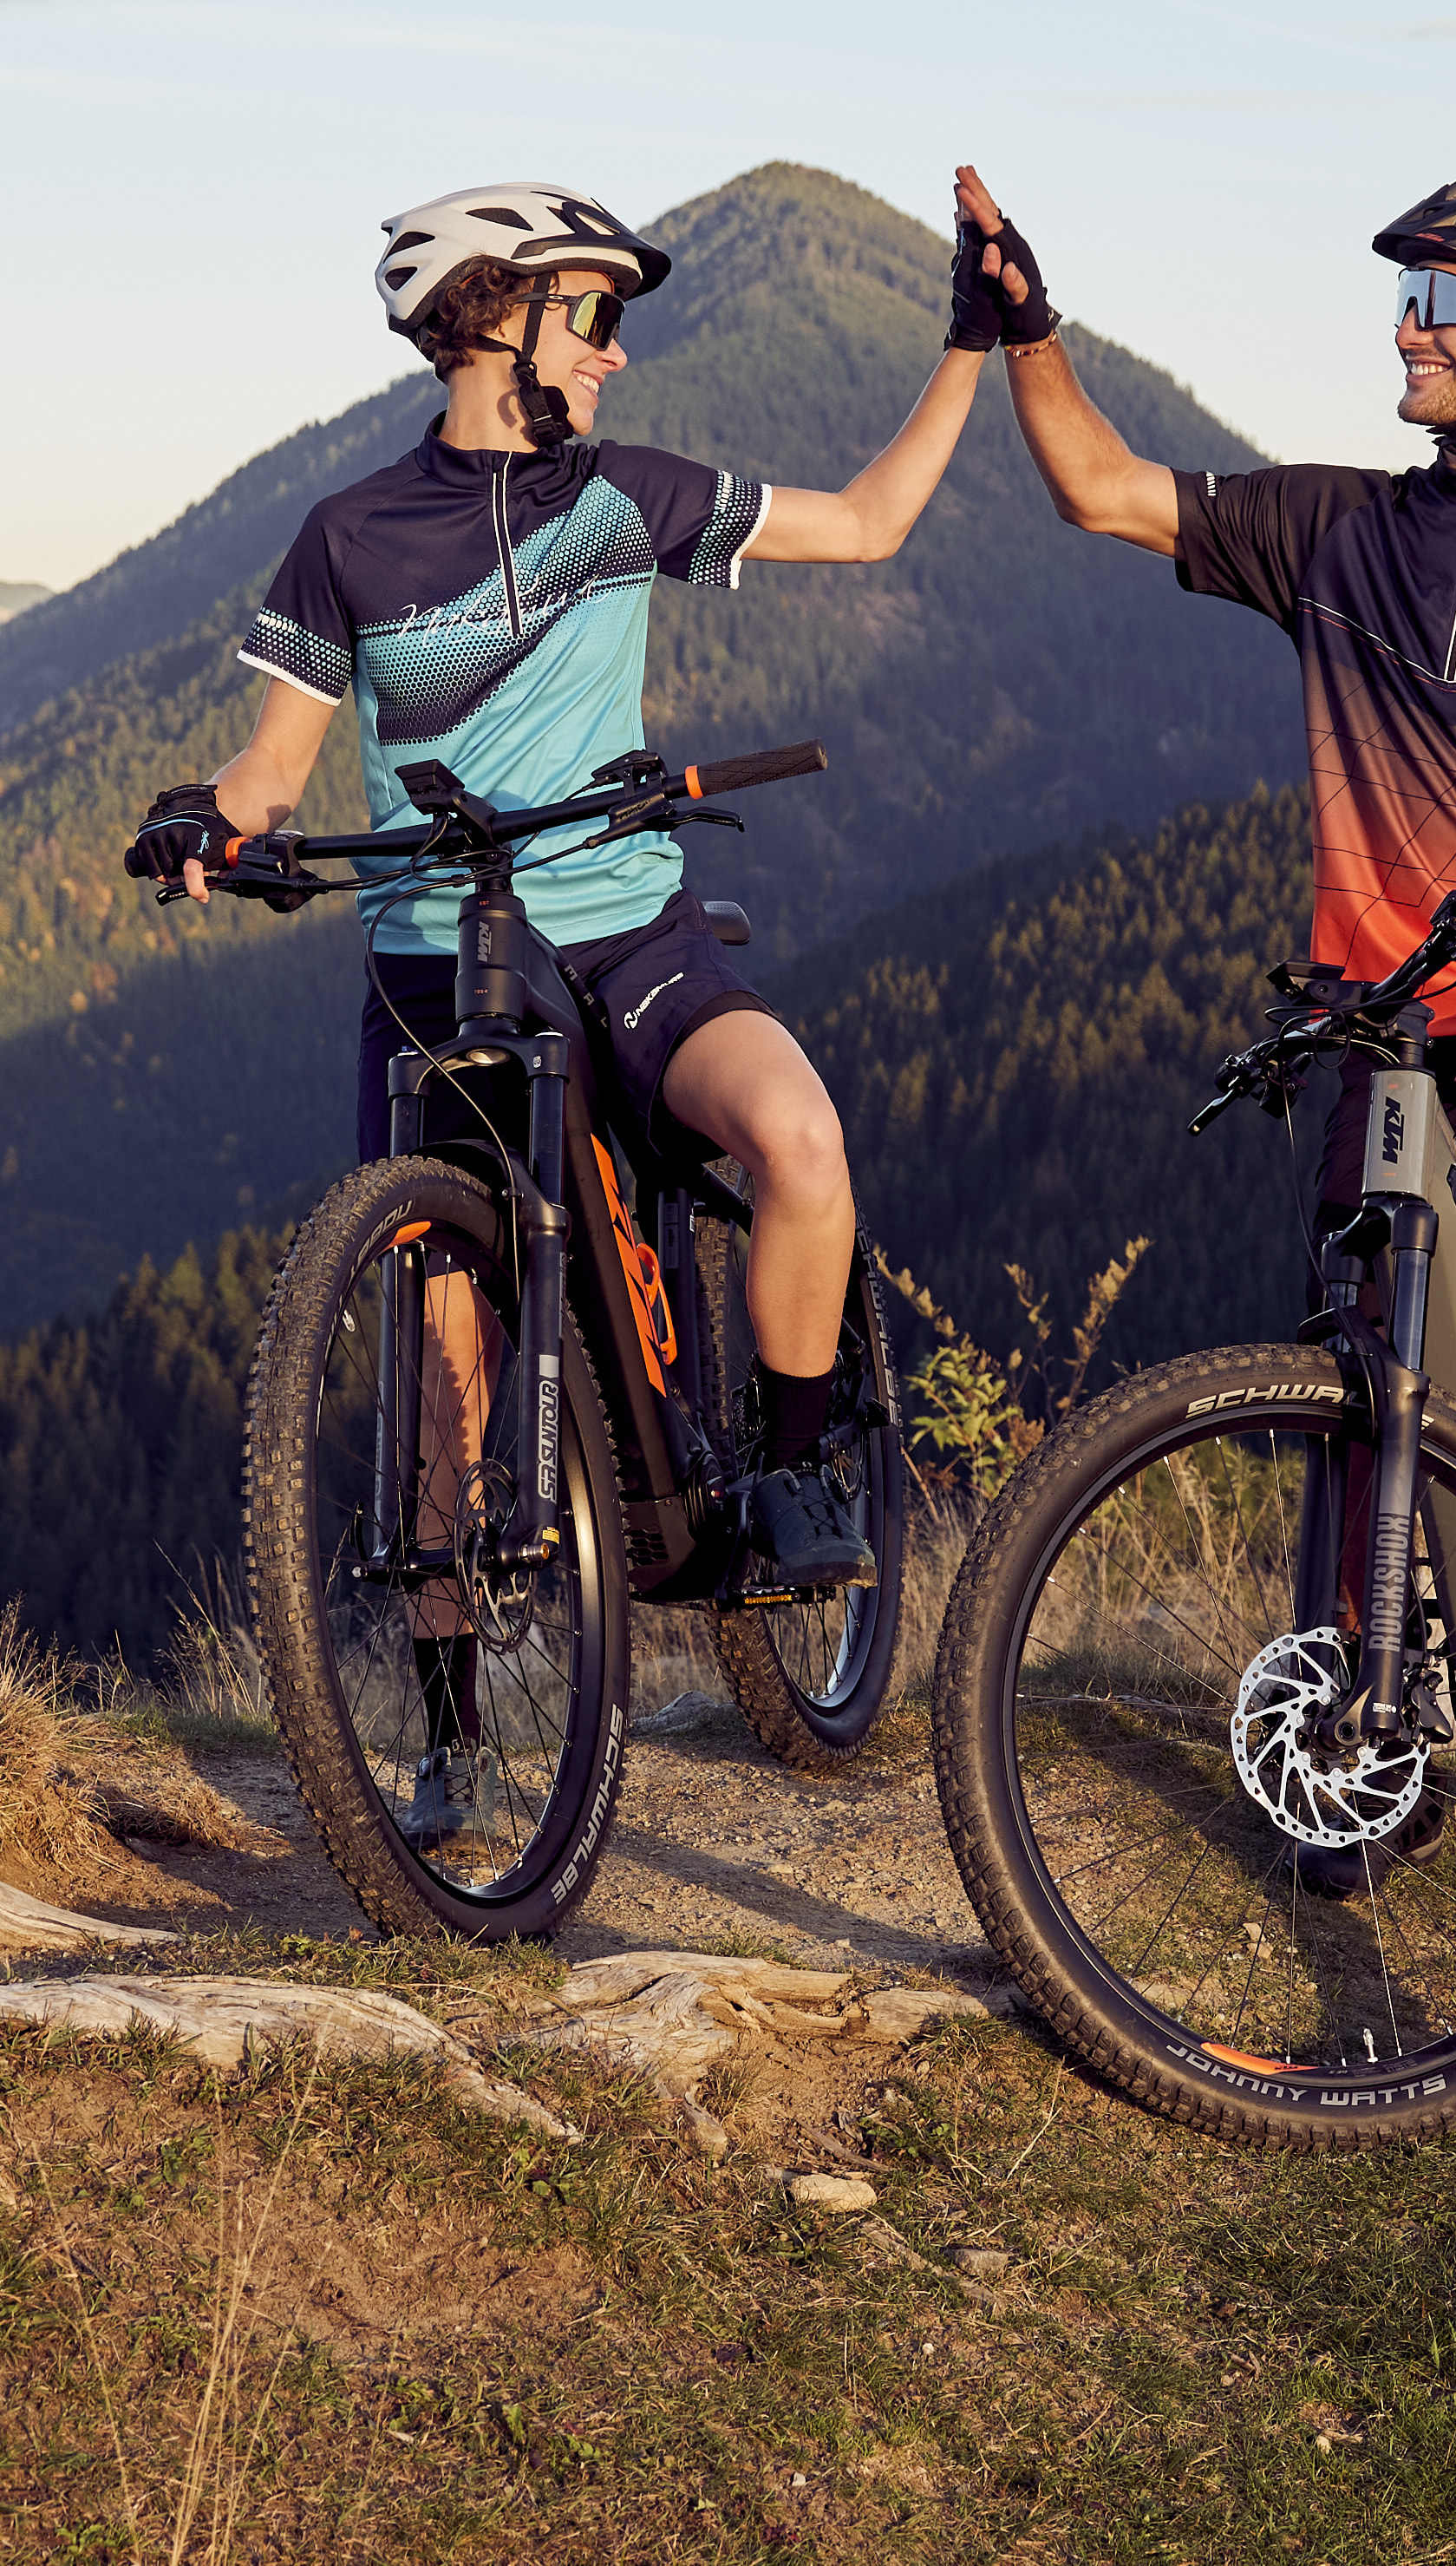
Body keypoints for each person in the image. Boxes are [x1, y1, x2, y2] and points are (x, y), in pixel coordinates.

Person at [127, 183, 983, 1831]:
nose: (612, 352)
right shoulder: (348, 536)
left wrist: (970, 341)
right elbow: (271, 769)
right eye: (589, 316)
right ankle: (451, 1726)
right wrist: (209, 822)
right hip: (439, 969)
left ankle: (798, 1471)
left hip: (629, 937)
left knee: (797, 1137)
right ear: (490, 318)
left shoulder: (625, 500)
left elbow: (872, 521)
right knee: (446, 1349)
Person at [971, 160, 1456, 1685]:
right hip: (1388, 1013)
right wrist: (1029, 331)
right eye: (1407, 296)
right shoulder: (1334, 531)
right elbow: (1100, 489)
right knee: (1371, 1340)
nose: (1406, 330)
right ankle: (1369, 1671)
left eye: (1444, 300)